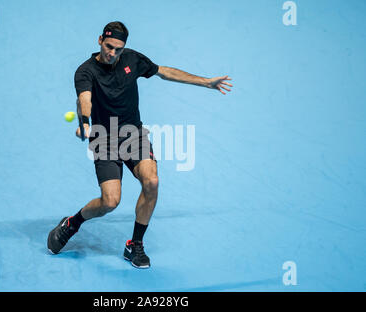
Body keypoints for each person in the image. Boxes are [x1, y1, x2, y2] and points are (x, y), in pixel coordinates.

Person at [48, 21, 233, 269]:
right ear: (100, 40)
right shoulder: (85, 71)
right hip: (104, 137)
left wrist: (205, 82)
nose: (112, 53)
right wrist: (84, 122)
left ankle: (134, 245)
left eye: (118, 49)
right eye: (109, 46)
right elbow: (85, 99)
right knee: (109, 202)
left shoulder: (132, 60)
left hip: (133, 135)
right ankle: (73, 223)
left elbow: (164, 71)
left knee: (152, 181)